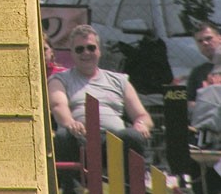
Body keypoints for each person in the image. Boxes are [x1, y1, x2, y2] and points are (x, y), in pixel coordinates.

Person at [48, 24, 153, 194]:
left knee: (132, 135)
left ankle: (132, 189)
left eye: (91, 48)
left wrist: (141, 124)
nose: (86, 53)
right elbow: (58, 106)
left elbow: (142, 115)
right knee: (63, 135)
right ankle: (72, 190)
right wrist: (70, 122)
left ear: (99, 50)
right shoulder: (59, 79)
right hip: (81, 139)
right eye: (80, 49)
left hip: (114, 141)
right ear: (72, 53)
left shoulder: (119, 80)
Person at [187, 22, 221, 111]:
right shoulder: (197, 72)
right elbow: (190, 102)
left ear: (219, 38)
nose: (205, 43)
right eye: (200, 41)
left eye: (209, 38)